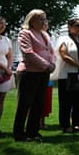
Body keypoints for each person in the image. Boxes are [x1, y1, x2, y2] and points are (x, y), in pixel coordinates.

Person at [13, 9, 56, 142]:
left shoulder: (45, 35)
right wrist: (46, 65)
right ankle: (19, 134)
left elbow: (51, 52)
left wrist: (52, 63)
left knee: (38, 103)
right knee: (24, 104)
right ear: (31, 20)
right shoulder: (24, 33)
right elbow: (28, 53)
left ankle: (33, 131)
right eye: (40, 19)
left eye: (45, 19)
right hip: (28, 73)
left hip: (43, 73)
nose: (44, 22)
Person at [55, 18, 79, 133]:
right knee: (66, 101)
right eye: (77, 25)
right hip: (68, 75)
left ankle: (77, 124)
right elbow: (64, 54)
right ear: (70, 27)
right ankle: (65, 125)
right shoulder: (64, 39)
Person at [0, 16, 13, 138]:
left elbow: (10, 55)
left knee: (1, 100)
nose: (3, 26)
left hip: (5, 73)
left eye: (4, 24)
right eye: (0, 23)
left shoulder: (6, 39)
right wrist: (4, 68)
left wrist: (9, 68)